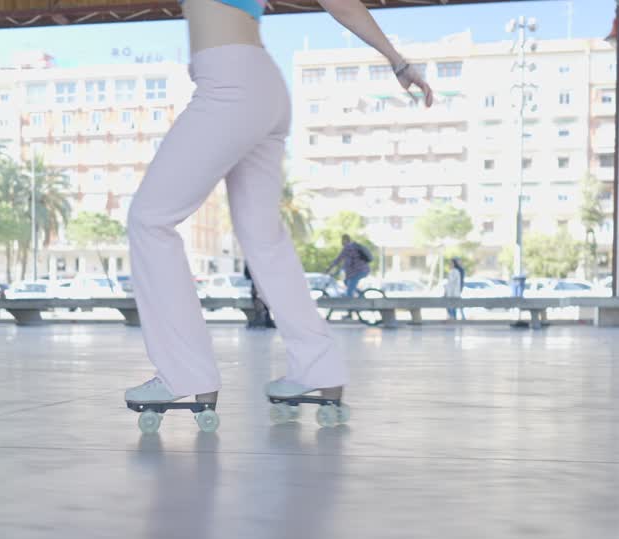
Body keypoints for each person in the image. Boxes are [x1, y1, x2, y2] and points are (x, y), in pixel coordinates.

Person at [124, 0, 433, 412]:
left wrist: (398, 60)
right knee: (264, 239)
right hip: (263, 86)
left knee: (149, 220)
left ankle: (184, 372)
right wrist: (397, 61)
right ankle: (319, 370)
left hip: (229, 82)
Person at [325, 233, 372, 298]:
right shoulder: (354, 247)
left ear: (345, 240)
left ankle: (351, 303)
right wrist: (337, 271)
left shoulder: (348, 248)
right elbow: (346, 264)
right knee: (346, 281)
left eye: (342, 240)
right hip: (361, 270)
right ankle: (361, 295)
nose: (341, 242)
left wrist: (329, 268)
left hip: (359, 271)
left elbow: (338, 259)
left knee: (349, 292)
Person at [444, 257, 466, 321]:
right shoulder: (453, 271)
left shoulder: (456, 271)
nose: (450, 265)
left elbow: (453, 283)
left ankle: (454, 317)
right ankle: (454, 317)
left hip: (454, 292)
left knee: (453, 305)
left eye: (451, 263)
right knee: (453, 305)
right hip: (452, 292)